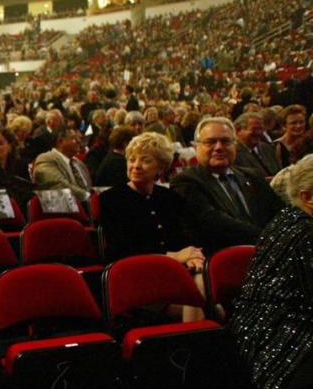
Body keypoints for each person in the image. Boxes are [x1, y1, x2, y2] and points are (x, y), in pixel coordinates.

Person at [229, 156, 313, 389]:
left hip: (280, 326)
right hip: (277, 340)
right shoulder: (304, 233)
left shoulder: (290, 219)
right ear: (308, 197)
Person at [99, 133, 205, 321]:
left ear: (161, 167)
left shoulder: (169, 197)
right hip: (136, 280)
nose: (136, 165)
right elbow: (123, 250)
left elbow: (186, 238)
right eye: (131, 159)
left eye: (145, 161)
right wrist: (174, 256)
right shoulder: (111, 199)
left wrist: (192, 257)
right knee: (204, 308)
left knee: (206, 293)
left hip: (173, 277)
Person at [172, 117, 284, 254]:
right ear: (196, 147)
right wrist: (270, 238)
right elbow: (217, 224)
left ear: (235, 145)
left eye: (226, 141)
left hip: (269, 254)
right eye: (210, 142)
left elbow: (280, 211)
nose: (219, 147)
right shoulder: (186, 181)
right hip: (223, 260)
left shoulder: (252, 176)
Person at [33, 127, 92, 201]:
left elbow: (89, 187)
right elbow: (58, 185)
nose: (79, 141)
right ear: (60, 141)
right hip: (62, 209)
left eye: (79, 138)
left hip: (86, 208)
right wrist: (88, 197)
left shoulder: (79, 163)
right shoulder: (46, 159)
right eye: (73, 138)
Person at [234, 112, 281, 177]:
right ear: (238, 130)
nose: (259, 133)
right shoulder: (233, 153)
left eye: (261, 129)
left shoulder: (267, 148)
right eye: (254, 129)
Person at [274, 104, 311, 169]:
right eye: (293, 123)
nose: (298, 126)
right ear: (284, 126)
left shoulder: (309, 142)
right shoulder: (277, 146)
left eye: (301, 122)